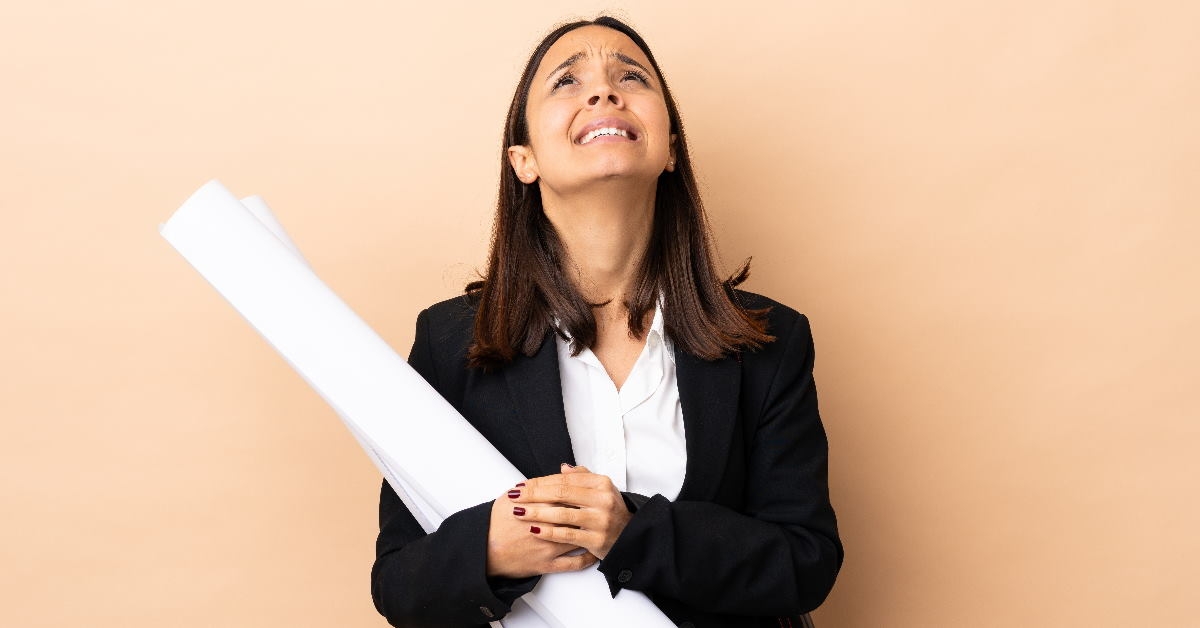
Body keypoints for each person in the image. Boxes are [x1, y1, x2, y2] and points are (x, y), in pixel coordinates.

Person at [371, 16, 842, 628]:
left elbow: (806, 562)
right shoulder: (449, 341)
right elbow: (398, 582)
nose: (603, 92)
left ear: (669, 147)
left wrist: (634, 532)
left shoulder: (769, 340)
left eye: (631, 77)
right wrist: (490, 553)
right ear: (524, 159)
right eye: (568, 81)